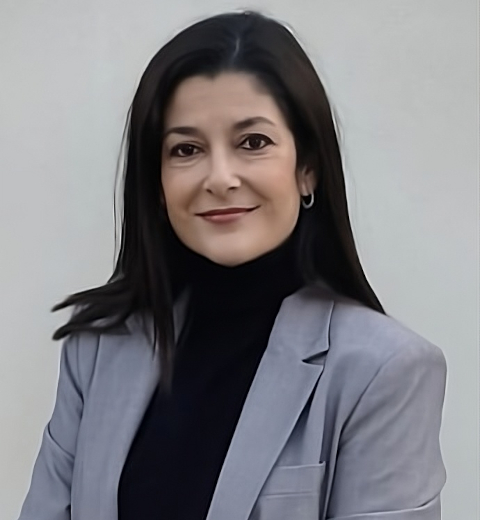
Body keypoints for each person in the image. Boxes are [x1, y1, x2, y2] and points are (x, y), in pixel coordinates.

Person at [18, 10, 447, 520]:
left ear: (307, 168)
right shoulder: (97, 347)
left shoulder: (385, 371)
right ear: (157, 183)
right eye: (186, 149)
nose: (219, 177)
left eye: (253, 142)